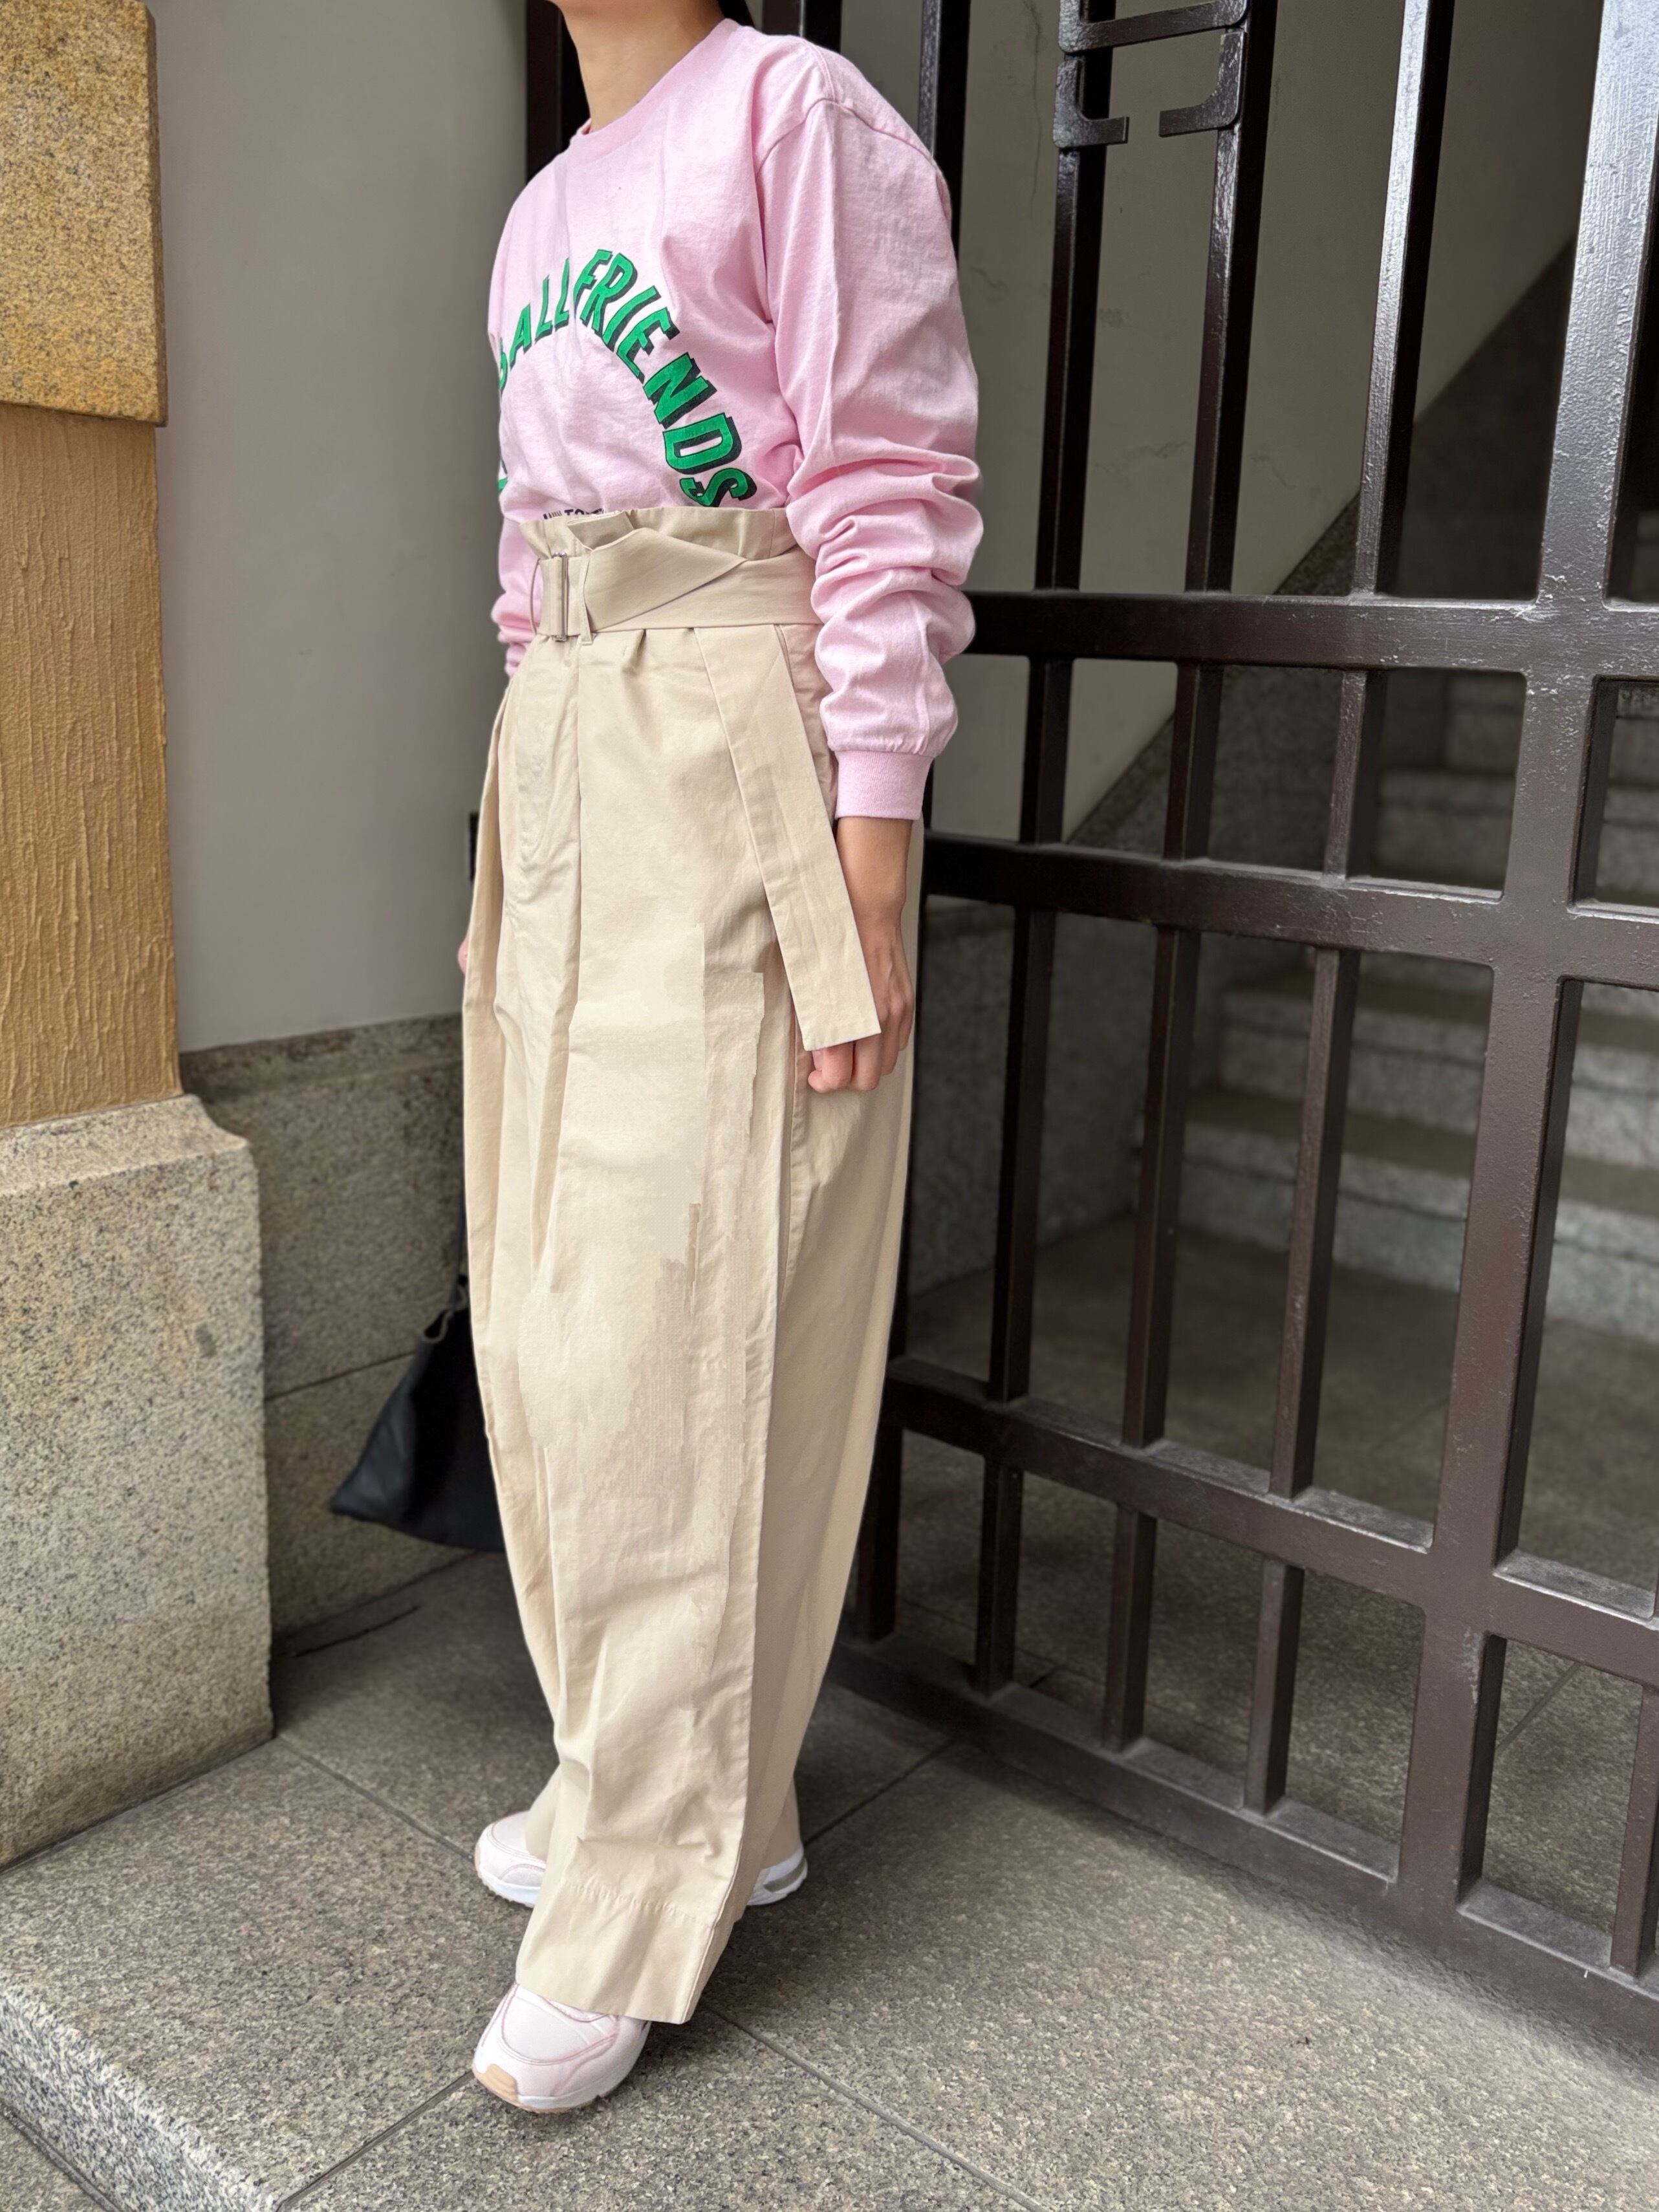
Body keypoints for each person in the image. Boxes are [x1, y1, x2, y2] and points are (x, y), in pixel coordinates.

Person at [457, 0, 982, 2114]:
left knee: (687, 1318)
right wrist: (518, 802)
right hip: (568, 737)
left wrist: (871, 845)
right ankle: (678, 1787)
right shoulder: (541, 214)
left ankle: (639, 1879)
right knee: (550, 1316)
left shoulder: (795, 113)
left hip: (735, 729)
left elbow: (888, 481)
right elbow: (525, 548)